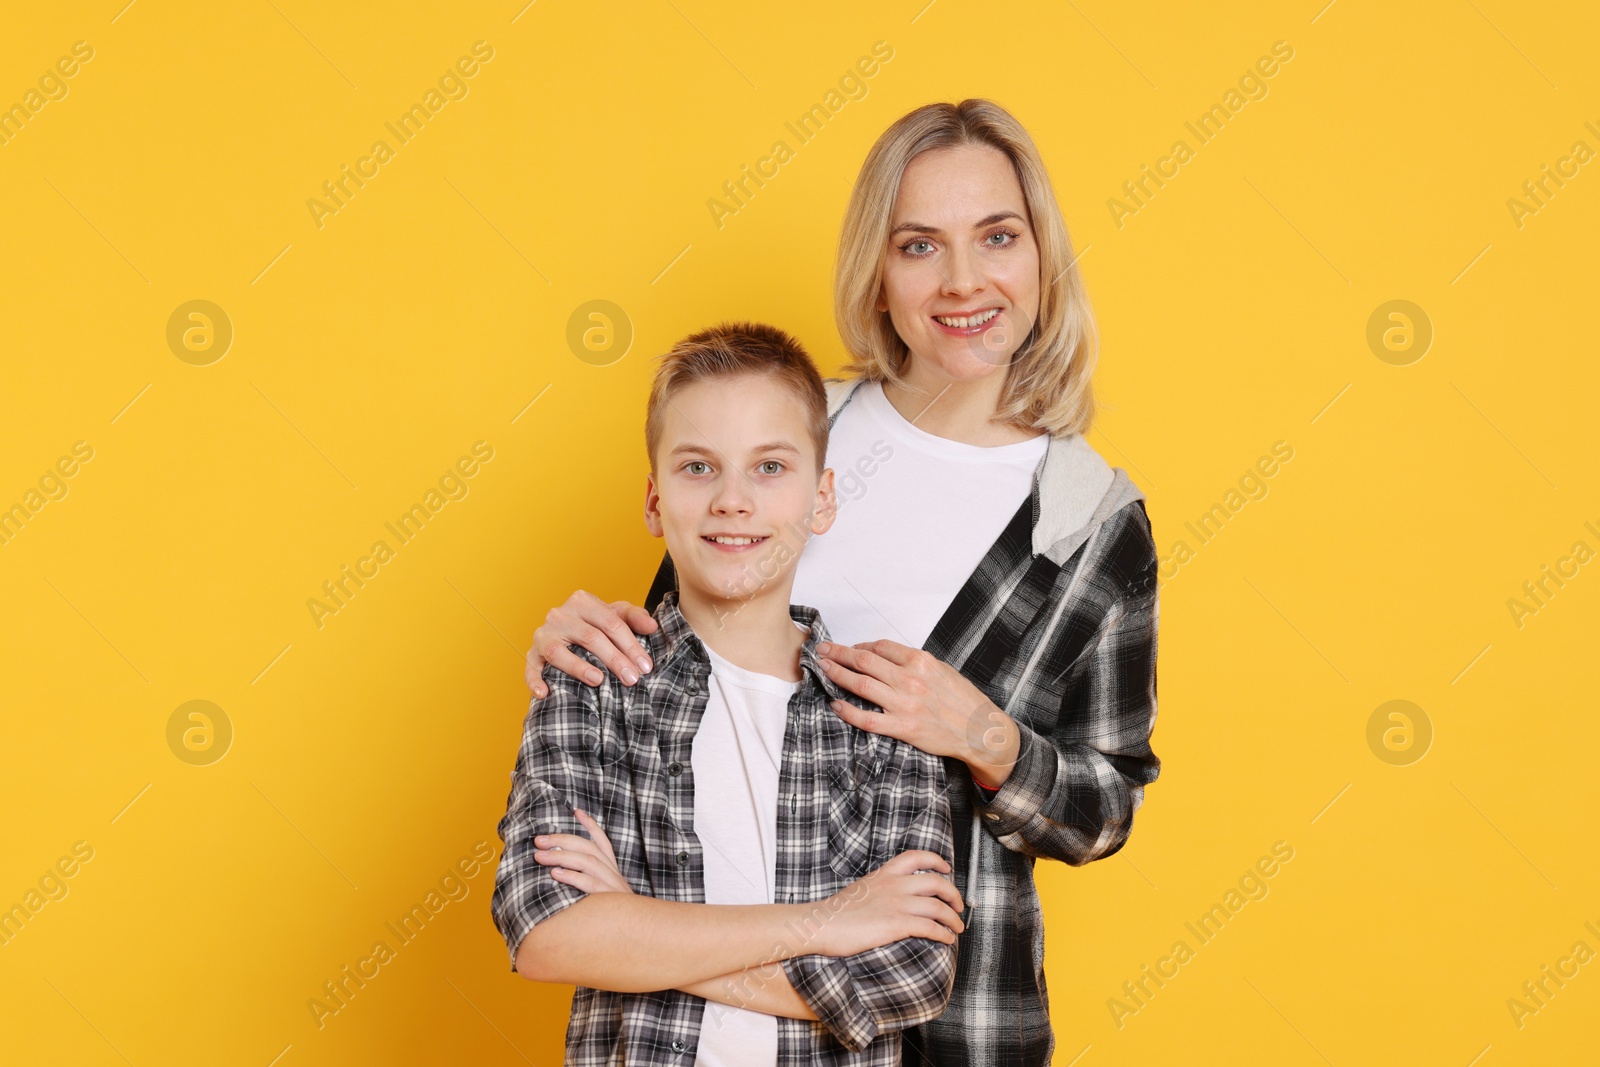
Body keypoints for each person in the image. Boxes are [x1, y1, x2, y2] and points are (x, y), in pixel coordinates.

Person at [521, 99, 1162, 1067]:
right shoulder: (778, 433)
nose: (962, 281)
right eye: (917, 245)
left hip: (956, 1005)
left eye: (996, 236)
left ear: (1041, 256)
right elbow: (665, 674)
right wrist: (581, 633)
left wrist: (981, 734)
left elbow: (1103, 804)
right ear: (877, 270)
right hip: (690, 1029)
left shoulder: (1092, 521)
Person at [491, 322, 966, 1066]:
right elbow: (549, 933)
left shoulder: (881, 711)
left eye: (770, 467)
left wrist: (638, 930)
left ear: (822, 498)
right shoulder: (595, 682)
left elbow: (912, 974)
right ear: (654, 500)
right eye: (697, 468)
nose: (733, 501)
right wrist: (829, 921)